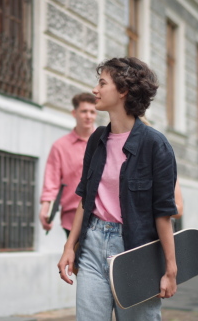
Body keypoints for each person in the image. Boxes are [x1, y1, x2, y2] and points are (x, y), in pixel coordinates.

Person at [58, 57, 179, 320]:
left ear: (123, 91)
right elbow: (85, 199)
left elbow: (163, 213)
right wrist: (70, 246)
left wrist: (170, 268)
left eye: (102, 83)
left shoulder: (155, 145)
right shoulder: (97, 139)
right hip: (92, 245)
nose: (95, 90)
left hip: (136, 251)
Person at [39, 93, 97, 237]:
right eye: (84, 111)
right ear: (74, 113)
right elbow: (51, 181)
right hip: (71, 218)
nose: (88, 116)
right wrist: (45, 208)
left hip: (101, 217)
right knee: (75, 259)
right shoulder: (60, 146)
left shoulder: (105, 142)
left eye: (92, 112)